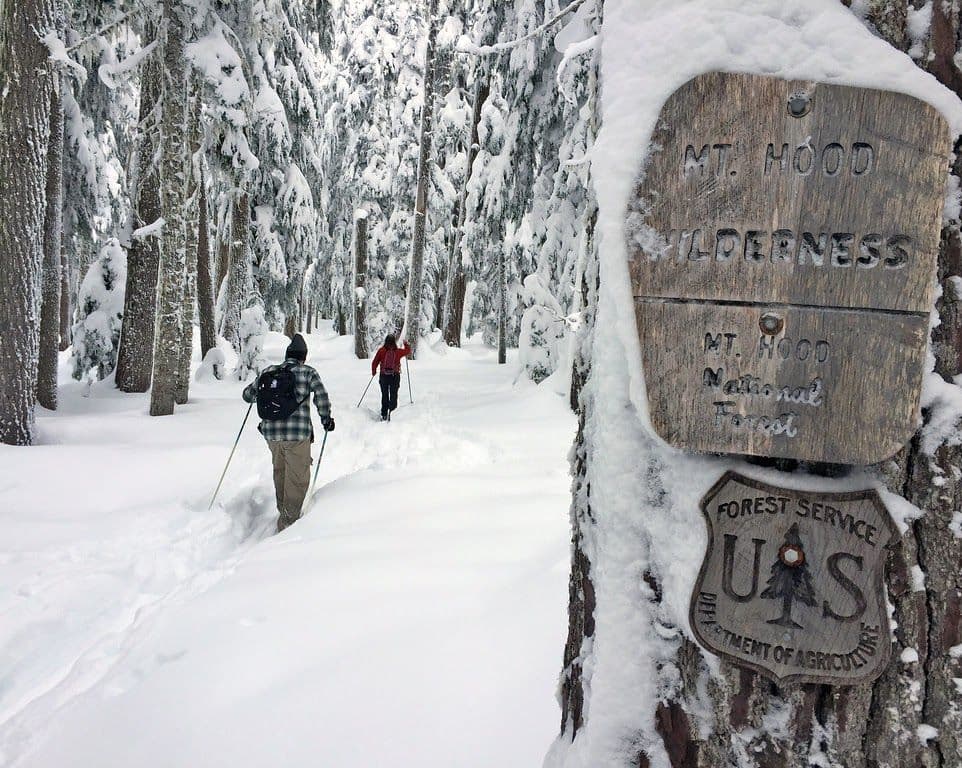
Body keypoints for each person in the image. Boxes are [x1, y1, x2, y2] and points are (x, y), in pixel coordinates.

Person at [243, 333, 334, 532]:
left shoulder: (269, 371)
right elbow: (322, 396)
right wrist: (326, 419)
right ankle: (288, 526)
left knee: (280, 471)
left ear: (287, 354)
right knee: (297, 477)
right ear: (303, 356)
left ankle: (283, 510)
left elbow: (247, 395)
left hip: (271, 434)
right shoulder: (308, 372)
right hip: (297, 435)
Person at [371, 334, 411, 421]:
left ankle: (384, 414)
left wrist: (374, 371)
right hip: (395, 376)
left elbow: (375, 362)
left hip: (383, 376)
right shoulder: (398, 352)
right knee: (394, 395)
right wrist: (406, 344)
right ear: (394, 342)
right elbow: (408, 351)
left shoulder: (381, 351)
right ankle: (392, 413)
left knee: (384, 395)